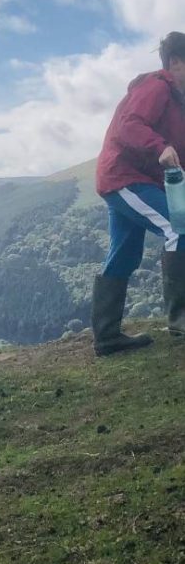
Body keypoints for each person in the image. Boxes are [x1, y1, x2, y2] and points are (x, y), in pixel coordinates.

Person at [93, 30, 185, 356]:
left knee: (125, 253)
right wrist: (160, 147)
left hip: (131, 179)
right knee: (179, 228)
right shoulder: (156, 87)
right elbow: (129, 125)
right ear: (176, 62)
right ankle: (180, 320)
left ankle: (107, 337)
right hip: (125, 178)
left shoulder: (177, 101)